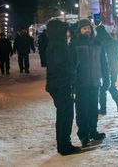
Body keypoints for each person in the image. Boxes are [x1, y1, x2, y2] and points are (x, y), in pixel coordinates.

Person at [45, 19, 81, 156]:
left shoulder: (54, 44)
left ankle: (63, 144)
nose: (66, 33)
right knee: (65, 116)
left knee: (63, 115)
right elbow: (65, 66)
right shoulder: (59, 46)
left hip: (57, 84)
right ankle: (64, 146)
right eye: (64, 31)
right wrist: (74, 64)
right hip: (61, 84)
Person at [71, 19, 108, 147]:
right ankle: (83, 135)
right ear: (80, 30)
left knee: (93, 108)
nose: (87, 30)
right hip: (81, 83)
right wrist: (73, 82)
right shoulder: (75, 44)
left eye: (88, 28)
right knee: (82, 111)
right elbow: (71, 65)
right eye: (84, 28)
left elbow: (104, 62)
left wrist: (106, 78)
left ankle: (93, 131)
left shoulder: (98, 43)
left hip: (95, 82)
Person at [95, 25, 118, 115]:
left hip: (104, 70)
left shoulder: (99, 43)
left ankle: (103, 109)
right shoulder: (115, 42)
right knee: (112, 87)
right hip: (114, 69)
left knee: (102, 89)